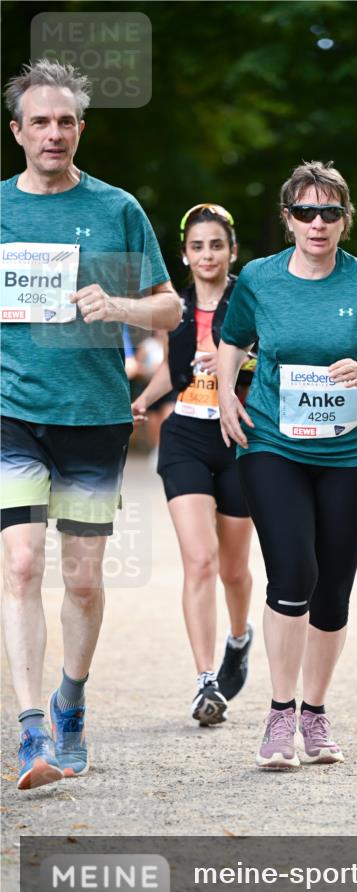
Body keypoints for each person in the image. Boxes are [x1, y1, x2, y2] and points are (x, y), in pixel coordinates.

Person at [0, 60, 181, 790]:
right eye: (39, 121)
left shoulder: (117, 210)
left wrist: (122, 307)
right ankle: (28, 729)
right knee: (18, 565)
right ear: (16, 131)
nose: (53, 133)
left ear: (81, 129)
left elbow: (170, 308)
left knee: (80, 578)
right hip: (12, 410)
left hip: (93, 413)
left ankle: (69, 703)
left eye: (65, 121)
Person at [218, 161, 357, 769]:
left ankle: (316, 715)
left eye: (330, 212)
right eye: (306, 212)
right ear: (288, 219)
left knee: (333, 591)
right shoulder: (258, 279)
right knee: (292, 573)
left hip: (353, 455)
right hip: (274, 444)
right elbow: (233, 339)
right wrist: (227, 392)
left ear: (345, 220)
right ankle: (279, 715)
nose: (318, 223)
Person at [132, 204, 254, 725]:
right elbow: (174, 373)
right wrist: (140, 400)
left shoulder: (251, 300)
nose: (207, 254)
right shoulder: (173, 307)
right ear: (185, 253)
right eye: (198, 246)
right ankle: (206, 680)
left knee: (233, 567)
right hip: (184, 435)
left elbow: (271, 358)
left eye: (216, 245)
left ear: (232, 252)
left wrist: (232, 359)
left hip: (239, 437)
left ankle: (240, 638)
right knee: (199, 559)